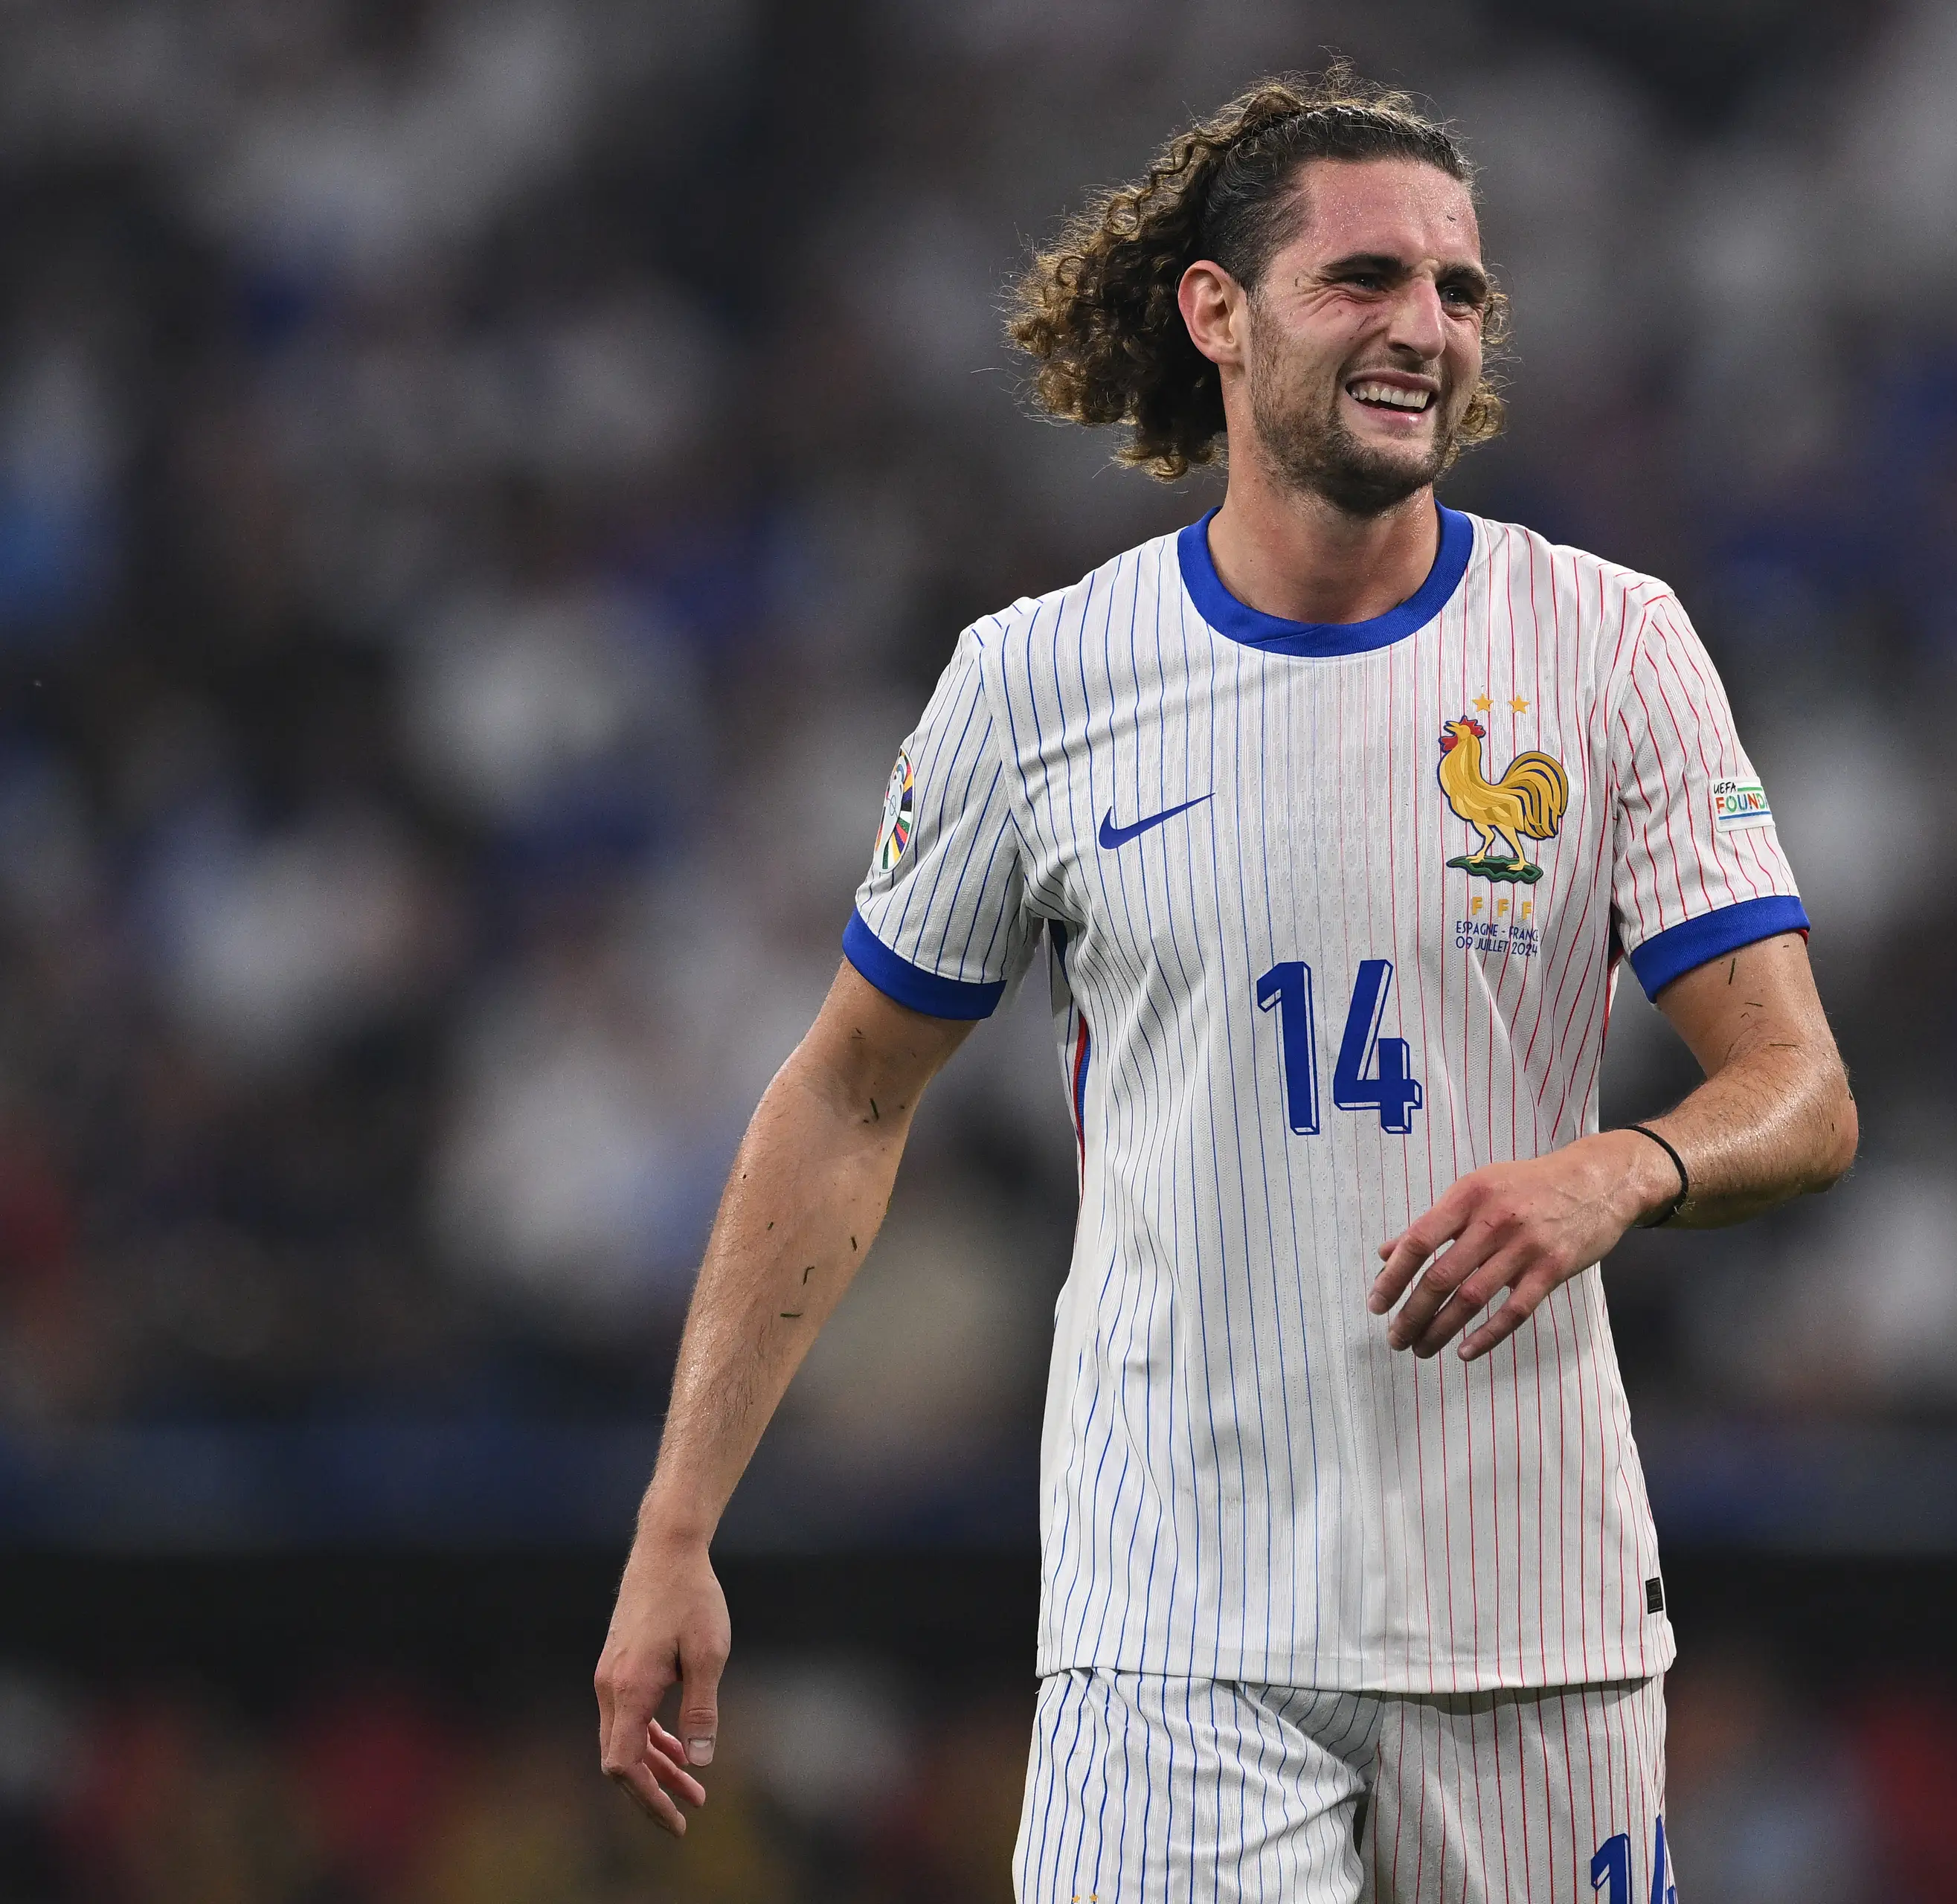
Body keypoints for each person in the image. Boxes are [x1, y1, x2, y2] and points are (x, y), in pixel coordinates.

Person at [594, 65, 1855, 1900]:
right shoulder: (1039, 681)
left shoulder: (1608, 645)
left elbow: (1801, 1089)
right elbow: (851, 1093)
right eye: (1363, 280)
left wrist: (1621, 1169)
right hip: (1173, 1630)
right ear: (1217, 310)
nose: (1425, 326)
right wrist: (677, 1520)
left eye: (1459, 290)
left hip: (1531, 1618)